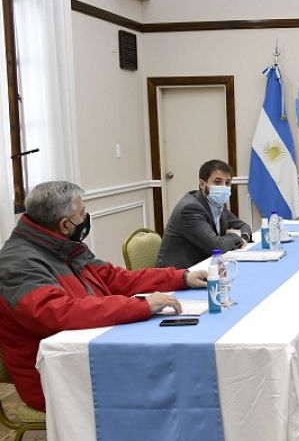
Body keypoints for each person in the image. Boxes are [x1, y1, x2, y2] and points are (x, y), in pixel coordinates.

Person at [0, 181, 208, 411]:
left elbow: (115, 278)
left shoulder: (64, 246)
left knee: (175, 373)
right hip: (58, 377)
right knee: (167, 379)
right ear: (65, 225)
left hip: (92, 353)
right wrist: (140, 306)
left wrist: (180, 278)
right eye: (82, 213)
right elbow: (58, 313)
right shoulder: (18, 264)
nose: (86, 217)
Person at [156, 159, 252, 269]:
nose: (224, 188)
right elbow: (217, 247)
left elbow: (244, 226)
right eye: (217, 182)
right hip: (176, 276)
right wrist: (236, 236)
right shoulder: (190, 208)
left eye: (227, 183)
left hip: (203, 268)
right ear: (202, 184)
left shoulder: (218, 204)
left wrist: (243, 237)